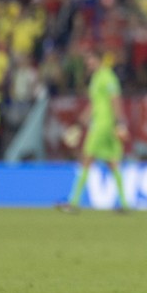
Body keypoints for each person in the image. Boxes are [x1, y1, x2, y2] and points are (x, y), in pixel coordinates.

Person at [58, 50, 130, 212]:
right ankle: (124, 203)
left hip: (103, 124)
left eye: (90, 61)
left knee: (86, 158)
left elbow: (115, 99)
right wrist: (79, 123)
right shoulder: (96, 78)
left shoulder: (107, 77)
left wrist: (119, 122)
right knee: (112, 162)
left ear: (99, 60)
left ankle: (73, 202)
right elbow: (94, 104)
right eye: (87, 62)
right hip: (103, 123)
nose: (88, 64)